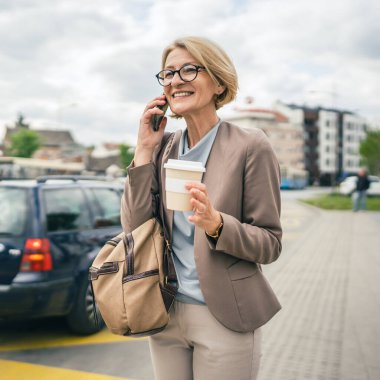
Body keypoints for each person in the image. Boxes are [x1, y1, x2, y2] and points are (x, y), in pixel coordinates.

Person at [121, 36, 282, 380]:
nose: (176, 80)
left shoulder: (250, 145)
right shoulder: (162, 147)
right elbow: (134, 227)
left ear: (219, 82)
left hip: (224, 314)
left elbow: (270, 243)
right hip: (166, 311)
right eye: (168, 74)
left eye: (189, 70)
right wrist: (143, 151)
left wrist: (216, 224)